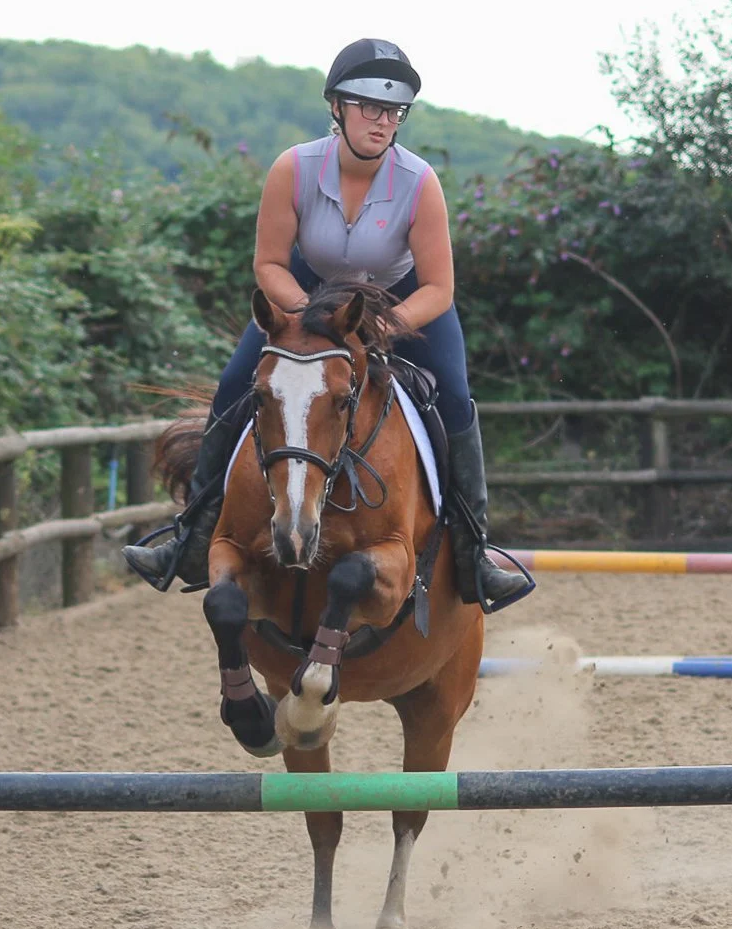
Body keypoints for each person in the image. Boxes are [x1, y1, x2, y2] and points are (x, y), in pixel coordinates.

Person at [123, 38, 532, 613]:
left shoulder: (419, 182)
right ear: (336, 109)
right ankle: (190, 535)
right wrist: (304, 317)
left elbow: (440, 288)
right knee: (233, 386)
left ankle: (474, 549)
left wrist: (382, 328)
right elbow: (268, 263)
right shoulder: (293, 169)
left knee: (457, 399)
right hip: (305, 295)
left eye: (393, 112)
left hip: (400, 300)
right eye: (370, 108)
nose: (383, 121)